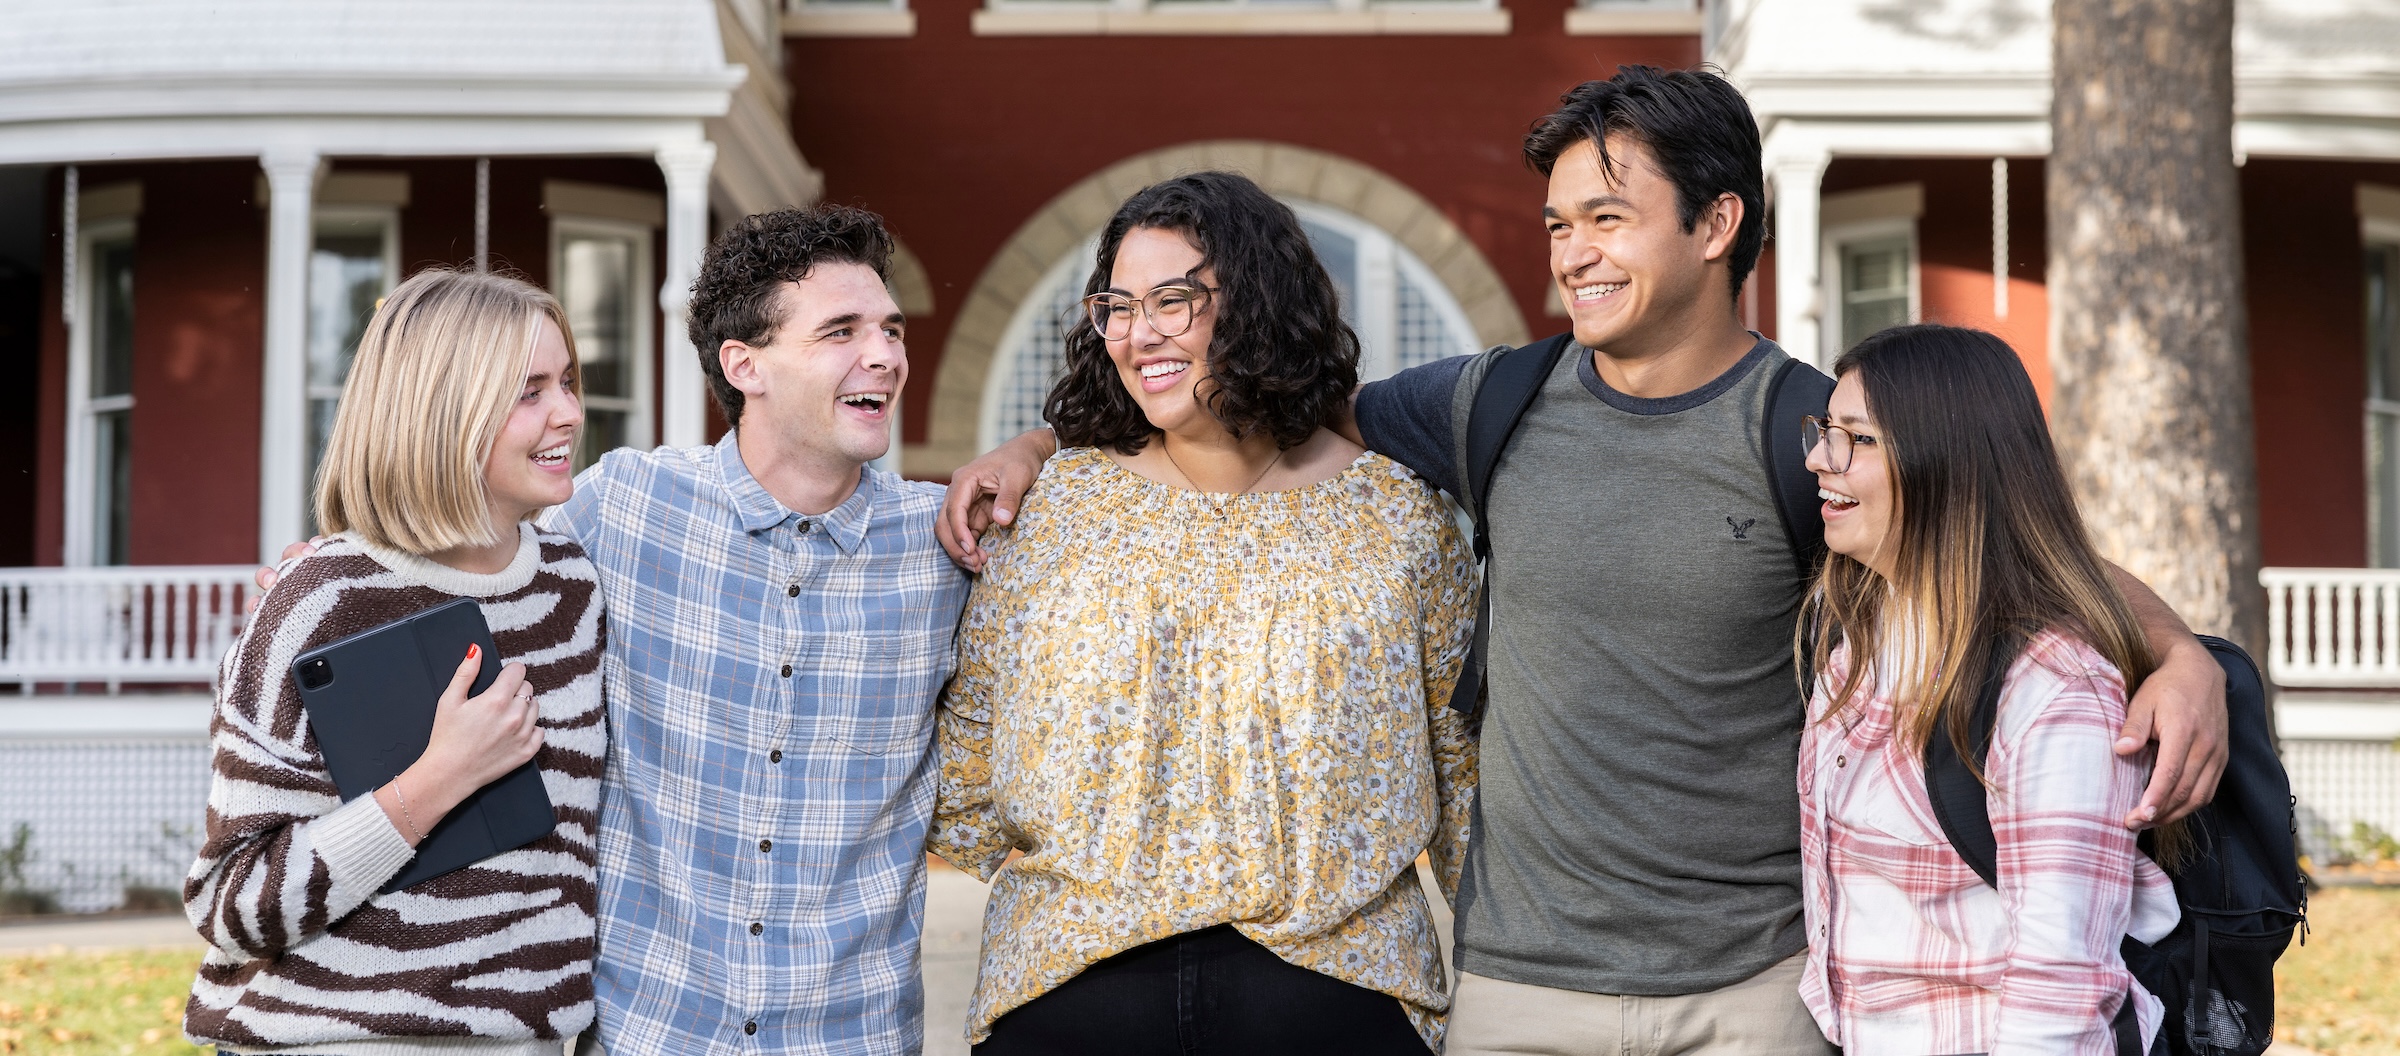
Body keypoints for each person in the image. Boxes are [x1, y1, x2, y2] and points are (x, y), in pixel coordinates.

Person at [937, 67, 2229, 1056]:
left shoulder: (1798, 428)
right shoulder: (1486, 402)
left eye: (1606, 217)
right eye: (1558, 224)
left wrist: (2177, 656)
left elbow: (1995, 540)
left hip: (1751, 992)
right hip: (1518, 990)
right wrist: (1048, 439)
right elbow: (1238, 384)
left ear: (1717, 223)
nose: (1569, 253)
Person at [256, 206, 972, 1055]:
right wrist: (351, 575)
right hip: (649, 1029)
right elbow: (472, 542)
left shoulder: (947, 548)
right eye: (842, 331)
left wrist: (1030, 447)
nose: (885, 355)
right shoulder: (621, 508)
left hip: (853, 1035)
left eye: (891, 329)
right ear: (745, 365)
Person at [927, 171, 1477, 1055]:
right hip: (1072, 986)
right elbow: (971, 750)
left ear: (1258, 303)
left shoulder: (1397, 515)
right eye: (1117, 304)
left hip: (1337, 994)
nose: (1138, 333)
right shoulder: (1053, 507)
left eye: (1175, 300)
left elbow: (1463, 772)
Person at [185, 269, 606, 1054]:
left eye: (569, 382)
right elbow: (231, 910)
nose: (570, 414)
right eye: (530, 392)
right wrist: (436, 784)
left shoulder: (572, 589)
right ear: (444, 411)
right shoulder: (319, 598)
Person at [1796, 323, 2182, 1054]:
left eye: (1858, 438)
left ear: (1950, 460)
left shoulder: (2054, 693)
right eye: (1824, 430)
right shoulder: (1852, 642)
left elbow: (2059, 999)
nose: (1819, 457)